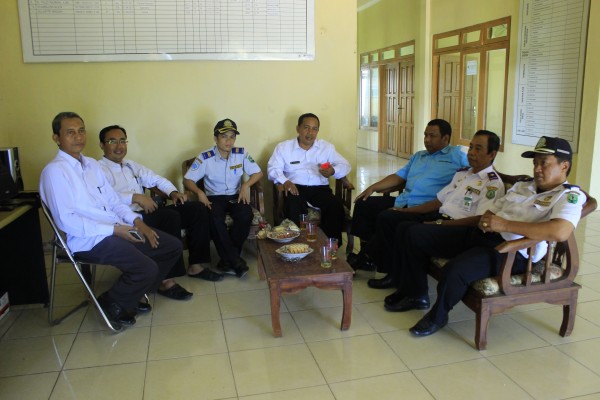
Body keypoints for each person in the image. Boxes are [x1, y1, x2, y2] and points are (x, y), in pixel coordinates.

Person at [396, 136, 585, 337]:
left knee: (456, 269)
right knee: (414, 233)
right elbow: (493, 210)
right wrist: (488, 220)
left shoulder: (569, 196)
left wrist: (505, 225)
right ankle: (416, 294)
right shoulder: (523, 186)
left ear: (564, 166)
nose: (537, 169)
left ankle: (438, 316)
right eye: (535, 163)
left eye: (544, 163)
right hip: (484, 234)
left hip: (511, 251)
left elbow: (560, 231)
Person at [40, 112, 192, 328]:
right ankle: (112, 302)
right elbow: (67, 222)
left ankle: (130, 295)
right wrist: (115, 230)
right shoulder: (55, 172)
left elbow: (113, 202)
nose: (78, 137)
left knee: (171, 247)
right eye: (70, 132)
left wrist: (138, 223)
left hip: (116, 228)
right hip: (88, 239)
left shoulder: (91, 165)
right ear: (56, 138)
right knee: (147, 267)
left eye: (81, 131)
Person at [368, 130, 505, 293]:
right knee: (394, 220)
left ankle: (417, 295)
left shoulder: (492, 184)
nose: (471, 152)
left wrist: (440, 224)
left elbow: (480, 219)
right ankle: (395, 276)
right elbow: (439, 201)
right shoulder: (463, 174)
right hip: (441, 218)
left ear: (492, 154)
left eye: (478, 149)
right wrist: (406, 211)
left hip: (461, 230)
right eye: (470, 147)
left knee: (412, 232)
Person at [97, 125, 223, 283]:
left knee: (196, 209)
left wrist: (173, 193)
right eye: (112, 141)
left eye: (122, 141)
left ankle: (196, 266)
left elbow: (156, 179)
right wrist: (135, 197)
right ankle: (167, 280)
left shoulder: (130, 165)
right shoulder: (97, 169)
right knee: (170, 216)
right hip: (125, 220)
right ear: (102, 145)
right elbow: (100, 197)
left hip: (147, 212)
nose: (119, 146)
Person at [348, 119, 469, 271]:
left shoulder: (457, 155)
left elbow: (479, 169)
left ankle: (374, 260)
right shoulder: (419, 156)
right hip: (404, 200)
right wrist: (373, 187)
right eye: (425, 135)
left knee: (387, 217)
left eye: (432, 136)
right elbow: (399, 176)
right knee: (364, 203)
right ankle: (369, 255)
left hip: (426, 208)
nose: (427, 140)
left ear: (445, 138)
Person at [183, 118, 263, 278]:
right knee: (214, 216)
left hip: (235, 196)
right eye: (224, 136)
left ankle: (227, 261)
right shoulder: (205, 157)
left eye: (232, 137)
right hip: (214, 197)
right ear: (215, 138)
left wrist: (246, 185)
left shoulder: (241, 153)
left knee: (246, 214)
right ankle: (235, 260)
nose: (228, 141)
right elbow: (188, 180)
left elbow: (258, 173)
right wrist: (199, 192)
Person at [267, 113, 351, 244]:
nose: (310, 132)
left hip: (320, 189)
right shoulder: (283, 147)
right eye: (306, 127)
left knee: (334, 204)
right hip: (295, 188)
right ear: (298, 128)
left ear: (318, 131)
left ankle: (330, 245)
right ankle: (297, 245)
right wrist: (285, 181)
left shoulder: (326, 148)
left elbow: (345, 165)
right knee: (293, 204)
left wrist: (332, 170)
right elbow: (273, 169)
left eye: (314, 129)